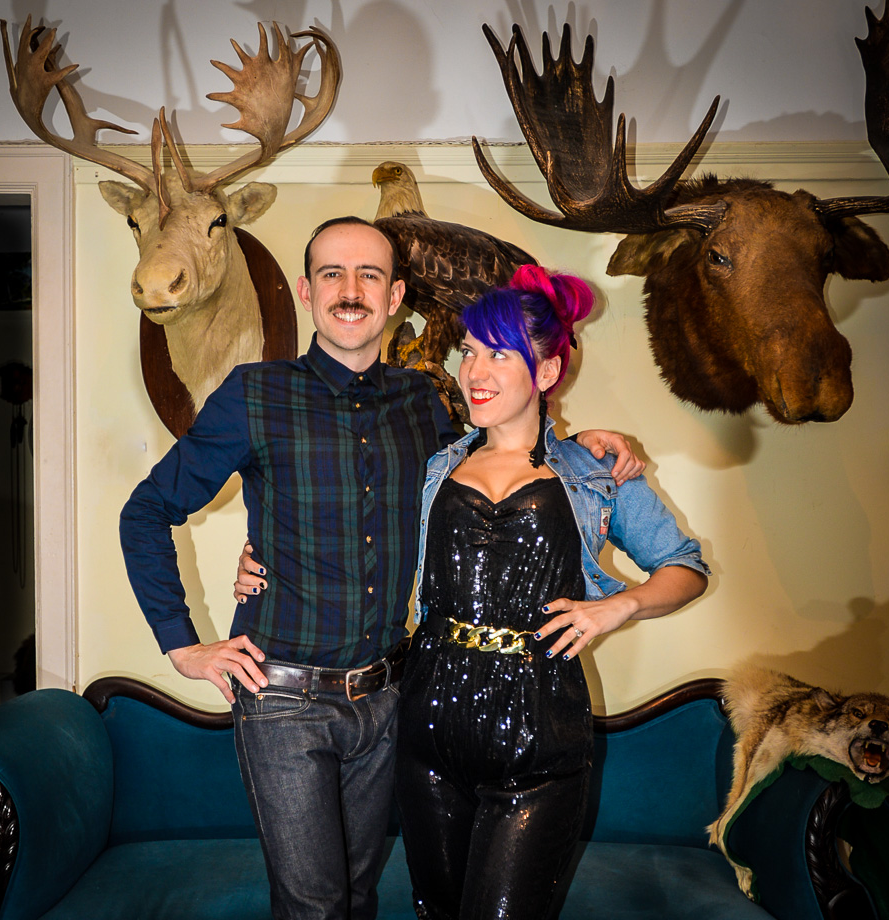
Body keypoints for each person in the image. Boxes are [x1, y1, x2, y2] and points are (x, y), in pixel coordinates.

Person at [120, 216, 642, 920]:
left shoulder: (426, 404)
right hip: (283, 700)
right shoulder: (254, 395)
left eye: (369, 274)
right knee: (313, 905)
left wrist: (587, 443)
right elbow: (146, 511)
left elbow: (502, 453)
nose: (350, 289)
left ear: (396, 297)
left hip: (393, 695)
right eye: (332, 273)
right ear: (306, 291)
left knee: (360, 897)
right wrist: (183, 643)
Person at [394, 265, 709, 920]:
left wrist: (620, 604)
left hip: (539, 741)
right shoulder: (437, 467)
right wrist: (261, 558)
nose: (474, 370)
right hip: (427, 731)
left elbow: (683, 565)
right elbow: (367, 547)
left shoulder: (595, 469)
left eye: (499, 354)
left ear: (544, 374)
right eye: (471, 351)